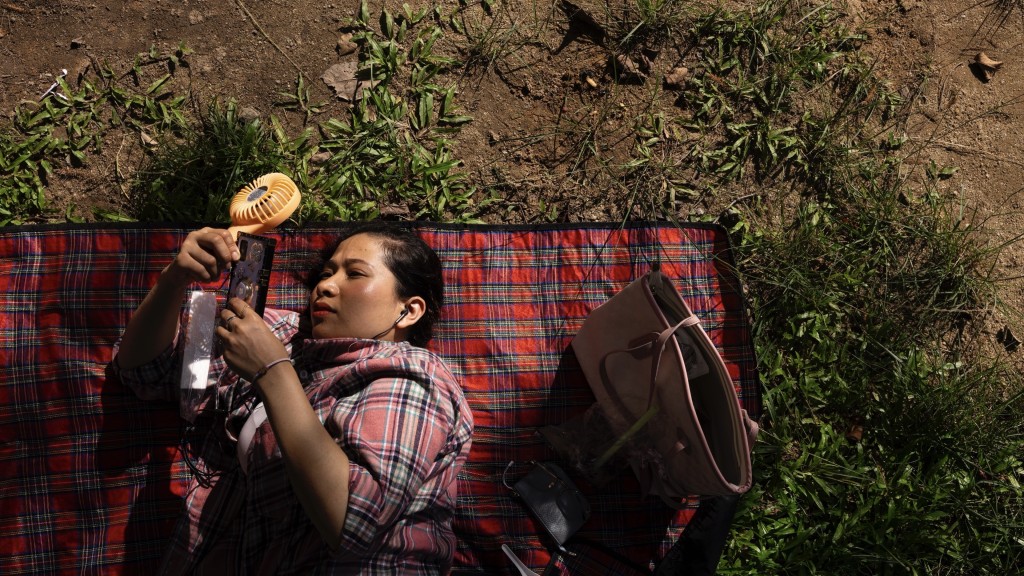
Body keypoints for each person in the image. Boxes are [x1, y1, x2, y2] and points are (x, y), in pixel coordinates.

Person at [112, 222, 473, 575]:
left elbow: (352, 521)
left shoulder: (412, 374)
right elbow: (144, 372)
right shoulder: (281, 334)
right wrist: (174, 279)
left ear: (408, 310)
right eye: (326, 272)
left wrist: (271, 371)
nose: (326, 286)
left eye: (355, 274)